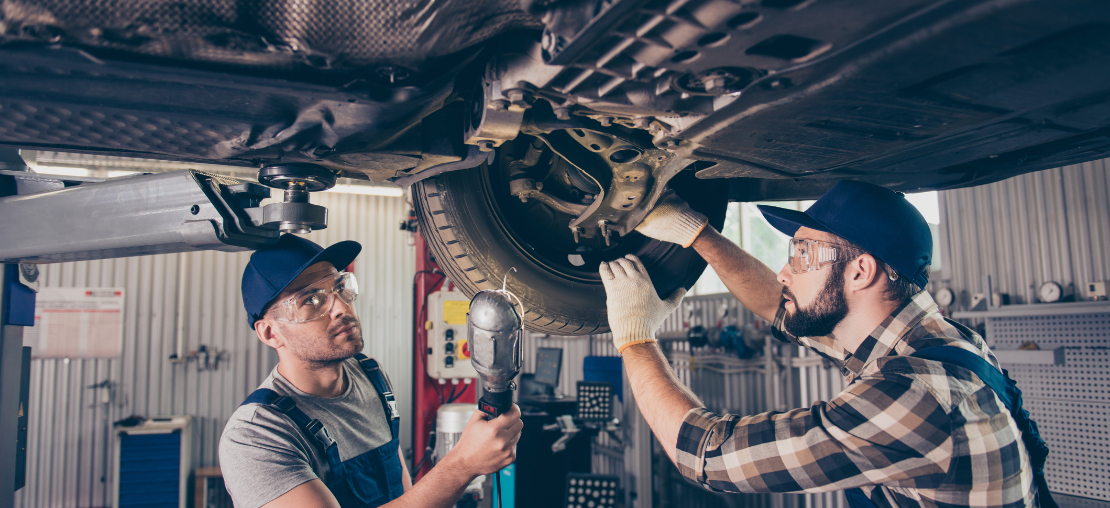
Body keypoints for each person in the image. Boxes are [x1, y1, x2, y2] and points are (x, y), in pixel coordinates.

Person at [600, 181, 1052, 507]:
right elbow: (781, 306)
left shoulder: (916, 396)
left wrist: (635, 337)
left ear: (861, 271)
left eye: (803, 254)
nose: (785, 271)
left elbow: (707, 456)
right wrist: (698, 234)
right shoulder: (932, 341)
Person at [220, 234, 523, 508]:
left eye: (340, 287)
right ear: (270, 333)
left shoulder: (370, 376)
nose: (341, 308)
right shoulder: (255, 435)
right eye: (311, 300)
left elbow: (403, 492)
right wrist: (462, 464)